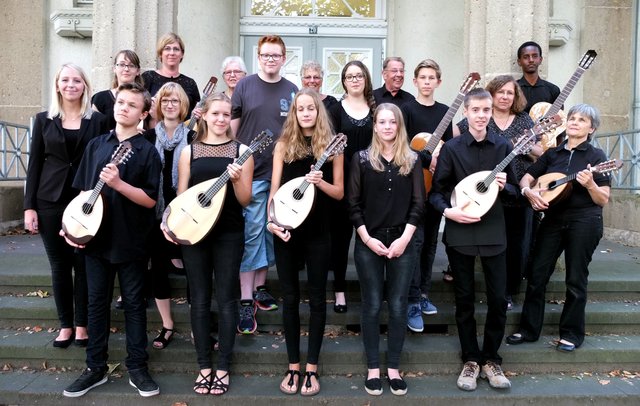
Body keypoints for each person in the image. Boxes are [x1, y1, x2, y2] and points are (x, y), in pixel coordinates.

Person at [61, 83, 162, 398]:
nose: (124, 108)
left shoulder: (147, 150)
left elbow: (149, 201)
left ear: (143, 114)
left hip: (131, 240)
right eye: (121, 102)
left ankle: (137, 367)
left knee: (133, 305)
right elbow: (81, 191)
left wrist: (118, 184)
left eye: (132, 105)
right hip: (95, 239)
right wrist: (72, 225)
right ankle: (95, 368)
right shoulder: (96, 145)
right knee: (95, 304)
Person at [430, 88, 518, 392]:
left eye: (486, 110)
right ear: (466, 113)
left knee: (497, 300)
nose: (481, 116)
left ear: (491, 113)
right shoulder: (452, 149)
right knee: (464, 299)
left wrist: (505, 187)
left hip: (494, 231)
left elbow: (516, 195)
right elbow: (436, 193)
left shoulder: (503, 147)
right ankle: (470, 360)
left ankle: (492, 359)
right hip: (461, 231)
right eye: (476, 110)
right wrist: (449, 213)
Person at [164, 93, 252, 395]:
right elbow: (181, 195)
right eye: (215, 113)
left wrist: (238, 179)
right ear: (204, 116)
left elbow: (245, 200)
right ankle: (204, 365)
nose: (221, 119)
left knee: (227, 299)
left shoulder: (243, 152)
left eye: (226, 114)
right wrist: (172, 225)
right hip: (193, 234)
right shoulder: (189, 151)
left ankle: (224, 366)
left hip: (229, 233)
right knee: (199, 299)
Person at [506, 104, 610, 352]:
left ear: (591, 128)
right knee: (537, 273)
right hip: (553, 219)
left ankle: (572, 334)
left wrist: (591, 185)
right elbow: (528, 176)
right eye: (572, 118)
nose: (574, 122)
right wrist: (528, 192)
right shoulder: (553, 154)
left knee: (575, 278)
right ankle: (529, 330)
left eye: (581, 120)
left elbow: (603, 198)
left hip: (584, 221)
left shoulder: (597, 157)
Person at [267, 88, 344, 396]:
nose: (307, 113)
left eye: (311, 108)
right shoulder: (283, 145)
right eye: (301, 109)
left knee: (315, 299)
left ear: (319, 111)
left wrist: (320, 181)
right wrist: (272, 223)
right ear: (295, 113)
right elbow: (273, 190)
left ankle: (311, 367)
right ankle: (293, 365)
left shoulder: (332, 147)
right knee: (289, 297)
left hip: (319, 232)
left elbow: (339, 193)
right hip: (286, 230)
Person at [24, 63, 106, 350]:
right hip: (48, 200)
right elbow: (34, 165)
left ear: (85, 85)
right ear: (57, 85)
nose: (71, 85)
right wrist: (28, 207)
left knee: (82, 265)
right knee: (59, 266)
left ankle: (82, 325)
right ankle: (65, 325)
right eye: (65, 80)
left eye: (77, 80)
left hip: (84, 201)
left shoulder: (97, 121)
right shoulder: (44, 120)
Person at [348, 103, 423, 396]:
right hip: (370, 240)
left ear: (399, 126)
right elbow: (353, 204)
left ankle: (393, 367)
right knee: (372, 303)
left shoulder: (413, 159)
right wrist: (366, 238)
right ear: (375, 126)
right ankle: (373, 367)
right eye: (382, 122)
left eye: (393, 122)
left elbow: (419, 204)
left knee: (398, 304)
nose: (388, 126)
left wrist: (405, 238)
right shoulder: (362, 159)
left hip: (403, 239)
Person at [231, 35, 298, 333]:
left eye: (276, 55)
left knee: (269, 234)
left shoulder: (292, 90)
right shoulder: (245, 85)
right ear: (259, 57)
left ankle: (258, 288)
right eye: (266, 55)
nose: (271, 59)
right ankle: (246, 299)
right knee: (251, 232)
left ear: (284, 58)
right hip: (250, 174)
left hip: (281, 176)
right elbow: (233, 131)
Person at [455, 75, 540, 310]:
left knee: (516, 245)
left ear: (516, 96)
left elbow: (540, 152)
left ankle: (509, 291)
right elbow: (458, 142)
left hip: (513, 187)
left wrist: (523, 145)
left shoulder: (524, 120)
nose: (505, 96)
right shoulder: (480, 117)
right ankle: (467, 290)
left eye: (510, 93)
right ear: (491, 95)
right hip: (480, 193)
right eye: (500, 92)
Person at [143, 82, 196, 350]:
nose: (170, 105)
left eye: (175, 100)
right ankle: (167, 325)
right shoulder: (148, 137)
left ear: (183, 105)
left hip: (185, 212)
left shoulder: (194, 136)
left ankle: (197, 325)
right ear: (159, 106)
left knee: (193, 268)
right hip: (155, 211)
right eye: (165, 101)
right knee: (159, 269)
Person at [401, 59, 452, 332]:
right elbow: (401, 147)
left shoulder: (445, 112)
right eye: (423, 77)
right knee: (415, 242)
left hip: (438, 186)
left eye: (432, 77)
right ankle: (410, 299)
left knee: (431, 242)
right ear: (415, 81)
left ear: (439, 82)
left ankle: (422, 294)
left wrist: (439, 161)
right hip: (413, 186)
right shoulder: (407, 110)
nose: (428, 82)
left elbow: (451, 148)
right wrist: (424, 158)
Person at [328, 60, 375, 313]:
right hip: (343, 182)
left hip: (371, 181)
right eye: (349, 76)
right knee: (341, 239)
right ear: (344, 81)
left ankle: (372, 291)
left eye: (359, 75)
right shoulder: (335, 110)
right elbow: (330, 145)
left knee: (370, 237)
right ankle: (340, 292)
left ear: (366, 79)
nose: (354, 80)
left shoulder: (376, 108)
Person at [142, 32, 201, 120]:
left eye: (176, 49)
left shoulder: (190, 83)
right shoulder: (148, 77)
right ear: (160, 53)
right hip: (152, 131)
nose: (172, 53)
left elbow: (194, 115)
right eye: (167, 48)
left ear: (182, 54)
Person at [92, 50, 144, 131]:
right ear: (114, 69)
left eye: (131, 65)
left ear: (138, 71)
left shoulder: (144, 99)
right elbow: (93, 130)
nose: (126, 69)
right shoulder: (99, 98)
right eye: (122, 64)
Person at [516, 41, 561, 113]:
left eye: (535, 56)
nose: (531, 60)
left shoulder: (553, 90)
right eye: (526, 57)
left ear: (540, 60)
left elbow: (558, 118)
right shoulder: (513, 89)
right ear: (519, 62)